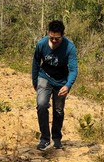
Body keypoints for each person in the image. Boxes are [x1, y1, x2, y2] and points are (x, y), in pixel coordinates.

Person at [31, 20, 78, 151]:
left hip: (61, 80)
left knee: (58, 110)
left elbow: (73, 69)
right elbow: (35, 63)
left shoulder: (70, 47)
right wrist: (35, 82)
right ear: (48, 34)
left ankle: (56, 139)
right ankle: (45, 139)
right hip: (44, 76)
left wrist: (68, 85)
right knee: (41, 104)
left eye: (57, 38)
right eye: (51, 38)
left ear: (62, 35)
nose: (54, 41)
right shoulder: (41, 44)